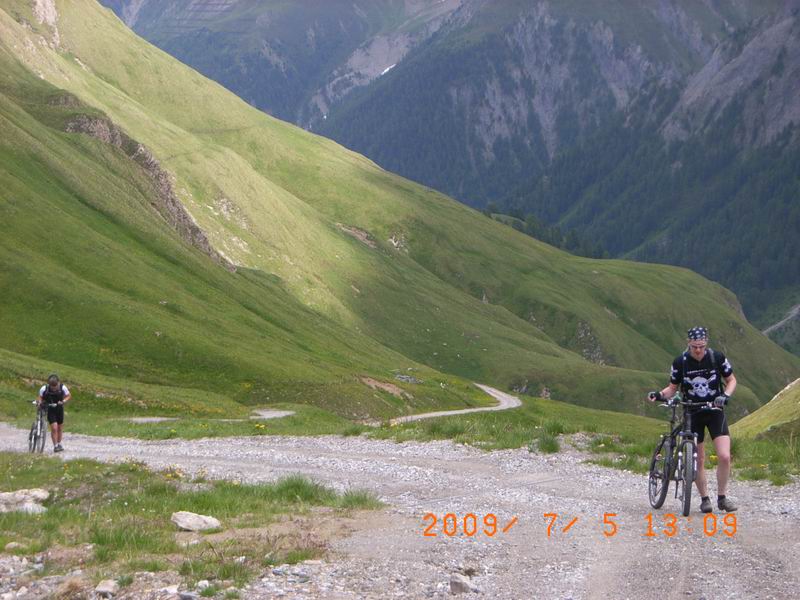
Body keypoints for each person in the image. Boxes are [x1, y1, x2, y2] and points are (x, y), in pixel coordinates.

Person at [647, 327, 738, 513]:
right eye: (694, 346)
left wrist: (726, 395)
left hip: (715, 411)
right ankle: (705, 499)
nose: (698, 350)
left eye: (701, 346)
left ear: (706, 343)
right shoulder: (680, 362)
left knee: (724, 456)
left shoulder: (717, 357)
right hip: (692, 412)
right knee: (698, 459)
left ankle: (722, 498)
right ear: (688, 343)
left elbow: (731, 380)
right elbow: (672, 388)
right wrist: (658, 395)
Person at [37, 374, 71, 453]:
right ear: (49, 384)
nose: (54, 388)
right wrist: (39, 402)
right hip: (50, 409)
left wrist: (63, 401)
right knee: (54, 428)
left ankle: (59, 444)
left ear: (58, 383)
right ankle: (55, 446)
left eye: (55, 386)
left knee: (60, 428)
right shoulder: (44, 388)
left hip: (59, 409)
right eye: (52, 387)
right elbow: (40, 397)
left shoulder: (63, 387)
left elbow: (68, 395)